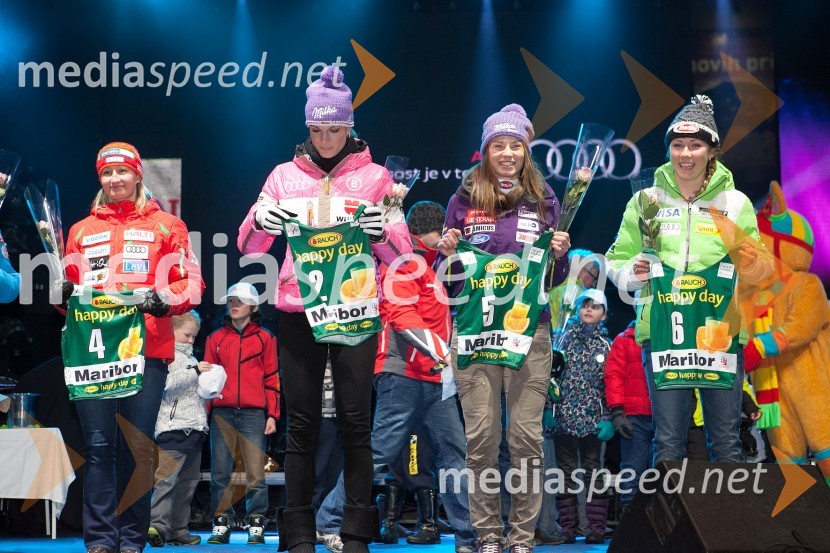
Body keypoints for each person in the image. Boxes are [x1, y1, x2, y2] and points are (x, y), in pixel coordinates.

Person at [237, 65, 411, 553]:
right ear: (307, 126)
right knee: (302, 425)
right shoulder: (283, 176)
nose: (327, 139)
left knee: (357, 423)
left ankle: (356, 532)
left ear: (350, 125)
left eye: (336, 129)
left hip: (355, 310)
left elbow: (404, 260)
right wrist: (260, 218)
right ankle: (297, 535)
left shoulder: (377, 178)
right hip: (297, 309)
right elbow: (249, 246)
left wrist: (386, 232)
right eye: (317, 129)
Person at [605, 95, 773, 466]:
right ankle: (672, 527)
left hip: (721, 334)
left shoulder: (735, 202)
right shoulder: (646, 200)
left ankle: (726, 526)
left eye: (695, 145)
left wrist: (750, 261)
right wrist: (632, 274)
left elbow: (763, 269)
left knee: (726, 441)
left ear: (712, 150)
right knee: (667, 444)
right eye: (677, 145)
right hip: (663, 331)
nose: (685, 154)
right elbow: (615, 260)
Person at [436, 104, 571, 553]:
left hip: (531, 332)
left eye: (516, 145)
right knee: (481, 441)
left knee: (526, 440)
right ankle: (488, 536)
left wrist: (561, 253)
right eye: (500, 145)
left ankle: (522, 538)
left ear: (526, 151)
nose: (508, 153)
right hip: (475, 334)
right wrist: (448, 251)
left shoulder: (545, 198)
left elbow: (555, 278)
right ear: (486, 150)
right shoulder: (462, 199)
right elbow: (448, 279)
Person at [61, 141, 204, 553]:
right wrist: (64, 292)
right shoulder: (81, 231)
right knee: (100, 446)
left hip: (147, 351)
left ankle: (132, 539)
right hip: (94, 352)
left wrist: (165, 299)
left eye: (121, 172)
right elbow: (70, 301)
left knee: (137, 447)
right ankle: (102, 540)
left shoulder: (166, 225)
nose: (114, 180)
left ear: (138, 174)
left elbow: (190, 282)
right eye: (106, 173)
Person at [315, 200, 476, 553]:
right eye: (445, 233)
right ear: (429, 233)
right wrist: (444, 352)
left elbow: (456, 307)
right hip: (402, 374)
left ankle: (468, 537)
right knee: (378, 454)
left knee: (455, 456)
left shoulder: (435, 267)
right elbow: (402, 318)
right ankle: (327, 521)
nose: (452, 238)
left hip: (437, 379)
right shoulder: (402, 263)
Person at [204, 282, 280, 545]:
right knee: (219, 473)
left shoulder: (266, 338)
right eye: (231, 300)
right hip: (221, 413)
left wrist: (273, 414)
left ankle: (256, 524)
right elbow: (207, 382)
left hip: (253, 414)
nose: (234, 304)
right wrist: (207, 412)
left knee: (256, 474)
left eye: (240, 300)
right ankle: (221, 523)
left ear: (254, 307)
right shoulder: (215, 338)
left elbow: (272, 377)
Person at [550, 288, 613, 545]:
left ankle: (595, 528)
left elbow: (610, 383)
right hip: (564, 417)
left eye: (595, 306)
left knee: (593, 471)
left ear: (604, 314)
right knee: (565, 472)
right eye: (585, 305)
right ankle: (567, 528)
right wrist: (547, 409)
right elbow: (550, 377)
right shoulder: (562, 339)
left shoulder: (607, 345)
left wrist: (608, 416)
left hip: (593, 420)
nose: (589, 310)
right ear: (577, 309)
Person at [148, 310, 211, 547]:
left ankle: (178, 529)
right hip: (172, 430)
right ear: (171, 331)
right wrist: (195, 373)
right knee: (166, 482)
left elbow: (193, 394)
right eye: (187, 335)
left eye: (194, 337)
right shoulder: (166, 356)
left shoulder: (192, 359)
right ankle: (157, 527)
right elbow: (166, 386)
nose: (191, 341)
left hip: (194, 430)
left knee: (187, 485)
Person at [603, 320, 652, 511]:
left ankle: (660, 525)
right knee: (632, 471)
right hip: (633, 416)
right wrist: (617, 410)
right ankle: (629, 524)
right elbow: (613, 375)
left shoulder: (668, 337)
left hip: (664, 416)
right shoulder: (623, 340)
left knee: (663, 474)